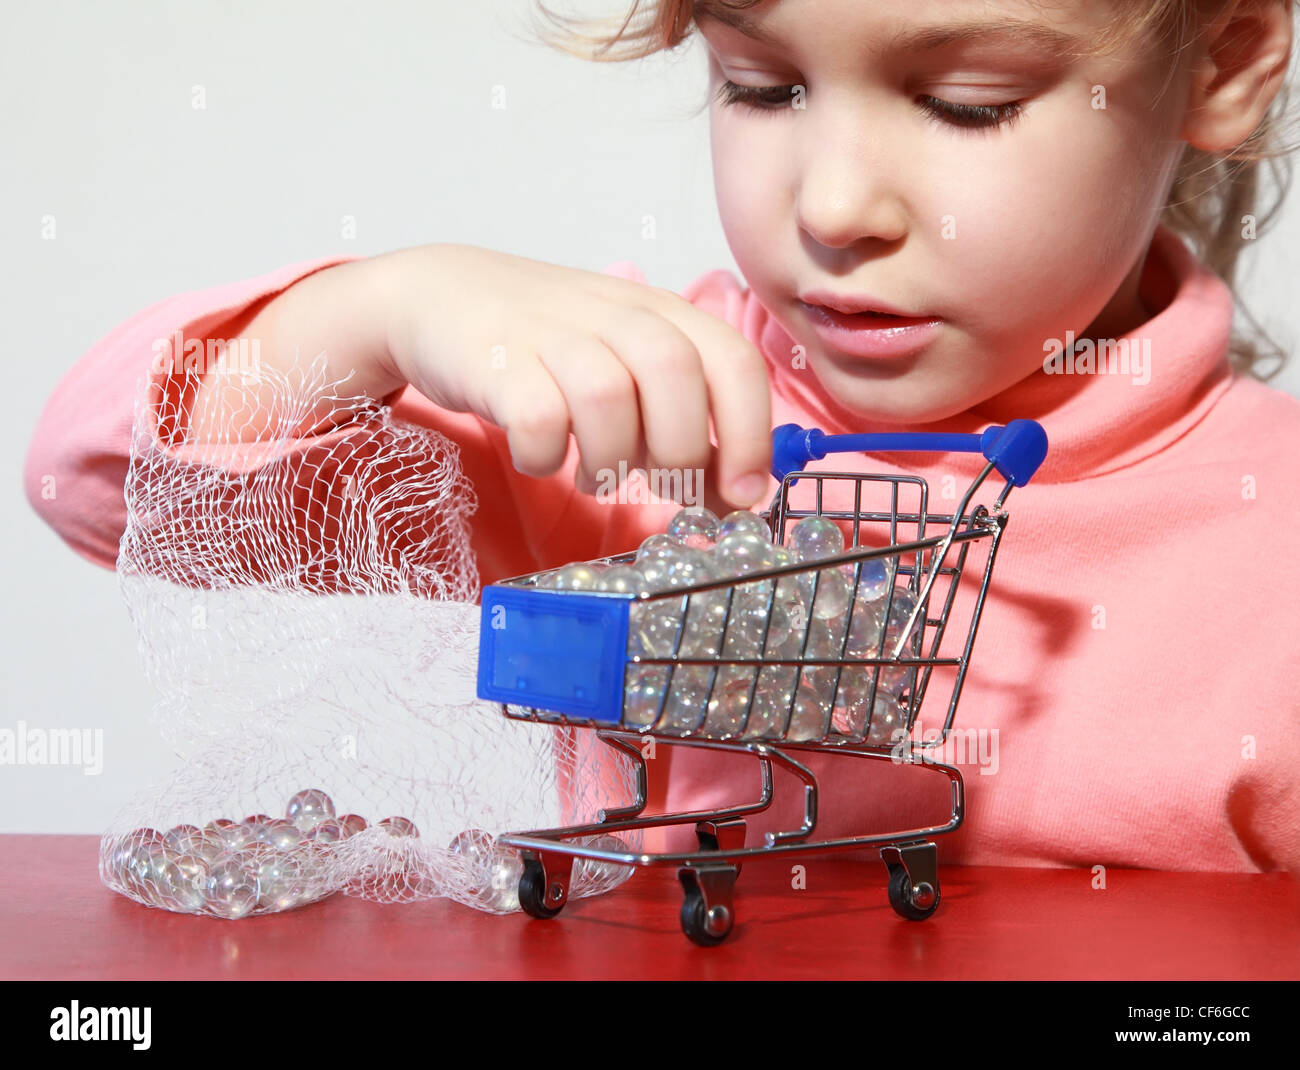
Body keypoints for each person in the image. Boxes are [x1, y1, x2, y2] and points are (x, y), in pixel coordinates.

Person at [25, 0, 1300, 877]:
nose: (835, 203)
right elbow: (96, 483)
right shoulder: (622, 422)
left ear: (1224, 60)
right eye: (761, 85)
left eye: (965, 104)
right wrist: (370, 313)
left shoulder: (1270, 550)